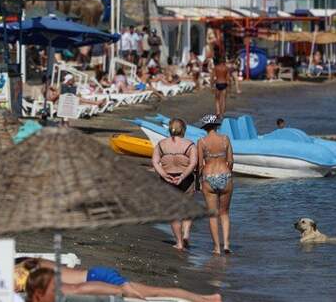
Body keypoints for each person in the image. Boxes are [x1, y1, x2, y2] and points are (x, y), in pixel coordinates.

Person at [18, 259, 221, 302]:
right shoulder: (33, 265)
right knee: (157, 291)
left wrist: (122, 289)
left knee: (156, 293)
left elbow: (77, 288)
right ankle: (208, 297)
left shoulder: (32, 271)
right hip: (96, 274)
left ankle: (209, 300)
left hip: (98, 278)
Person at [151, 118, 197, 251]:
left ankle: (179, 242)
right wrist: (182, 176)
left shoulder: (161, 144)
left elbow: (155, 162)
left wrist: (164, 175)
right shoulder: (189, 144)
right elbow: (193, 163)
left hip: (168, 179)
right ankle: (186, 234)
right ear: (183, 130)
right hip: (186, 178)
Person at [197, 114, 234, 255]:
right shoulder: (225, 139)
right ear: (216, 125)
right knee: (224, 213)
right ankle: (226, 244)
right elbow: (230, 161)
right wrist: (228, 175)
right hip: (225, 175)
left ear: (205, 127)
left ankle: (217, 248)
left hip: (209, 176)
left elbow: (200, 165)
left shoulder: (201, 141)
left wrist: (197, 183)